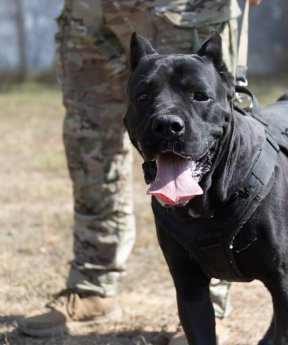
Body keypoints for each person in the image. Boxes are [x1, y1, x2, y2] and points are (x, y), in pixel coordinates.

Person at [18, 0, 262, 343]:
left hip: (179, 8)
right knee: (90, 144)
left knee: (197, 137)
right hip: (90, 12)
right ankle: (94, 285)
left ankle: (209, 309)